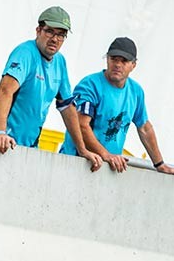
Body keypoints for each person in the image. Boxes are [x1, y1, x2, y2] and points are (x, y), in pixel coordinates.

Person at [0, 6, 102, 171]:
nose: (55, 39)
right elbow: (5, 91)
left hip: (27, 147)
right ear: (38, 30)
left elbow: (68, 108)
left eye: (61, 34)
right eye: (50, 31)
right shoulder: (25, 53)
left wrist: (82, 149)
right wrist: (0, 132)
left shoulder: (60, 62)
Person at [60, 37, 174, 174]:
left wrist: (160, 164)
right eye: (114, 59)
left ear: (133, 65)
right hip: (76, 162)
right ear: (107, 59)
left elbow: (144, 127)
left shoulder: (136, 91)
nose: (118, 64)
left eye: (124, 61)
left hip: (107, 167)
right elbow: (81, 124)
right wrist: (106, 155)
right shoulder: (90, 85)